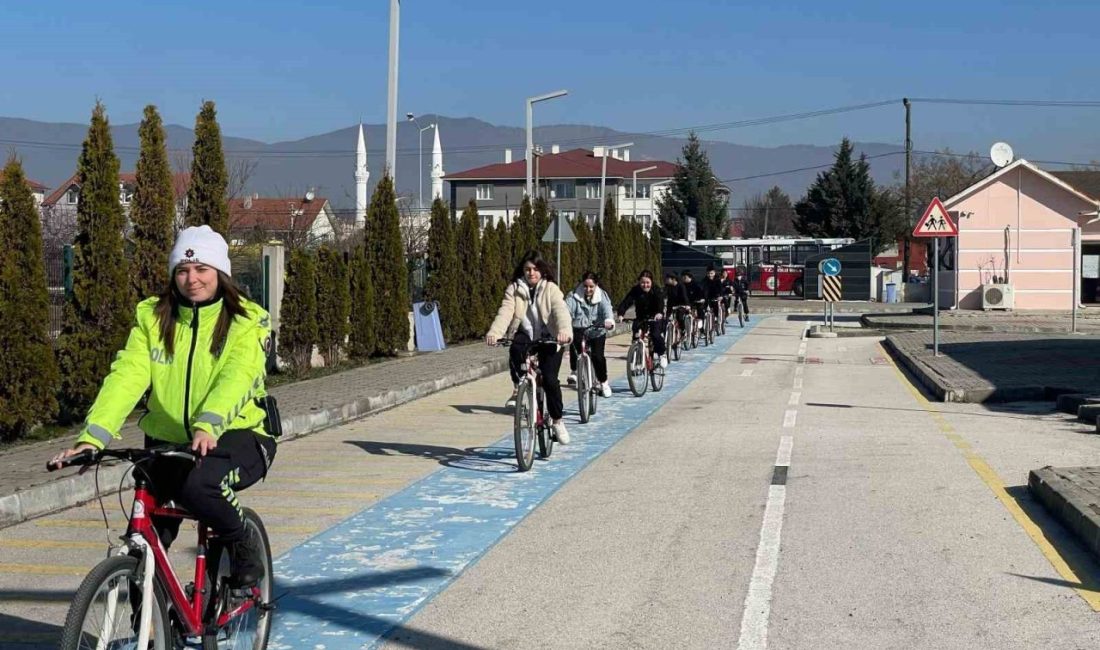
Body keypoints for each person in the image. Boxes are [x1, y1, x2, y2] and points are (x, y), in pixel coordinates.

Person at [49, 225, 276, 589]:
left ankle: (241, 540)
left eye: (202, 269)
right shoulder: (153, 318)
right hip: (168, 441)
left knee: (200, 488)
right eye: (183, 270)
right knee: (143, 542)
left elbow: (238, 376)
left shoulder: (247, 321)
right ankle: (151, 627)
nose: (192, 279)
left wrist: (209, 423)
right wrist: (93, 437)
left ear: (220, 273)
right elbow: (127, 376)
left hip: (238, 436)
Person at [486, 250, 573, 443]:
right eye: (527, 269)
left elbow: (560, 311)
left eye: (535, 269)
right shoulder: (515, 289)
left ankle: (557, 420)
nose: (531, 273)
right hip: (526, 333)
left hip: (551, 337)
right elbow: (505, 311)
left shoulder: (551, 288)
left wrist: (564, 331)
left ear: (542, 270)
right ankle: (519, 387)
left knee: (550, 380)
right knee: (515, 349)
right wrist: (495, 333)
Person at [565, 271, 615, 398]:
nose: (588, 289)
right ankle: (575, 370)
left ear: (596, 285)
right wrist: (564, 323)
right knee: (573, 342)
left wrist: (608, 321)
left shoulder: (602, 295)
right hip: (579, 328)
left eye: (591, 287)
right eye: (585, 286)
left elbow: (607, 310)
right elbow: (566, 310)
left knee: (598, 357)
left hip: (597, 330)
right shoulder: (573, 296)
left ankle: (603, 382)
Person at [616, 270, 667, 367]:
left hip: (655, 317)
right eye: (642, 283)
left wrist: (659, 313)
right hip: (641, 317)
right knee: (636, 333)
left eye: (647, 283)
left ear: (651, 282)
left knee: (655, 335)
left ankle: (662, 354)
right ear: (639, 282)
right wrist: (621, 314)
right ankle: (636, 353)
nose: (645, 285)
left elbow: (660, 302)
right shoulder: (636, 290)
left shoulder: (656, 290)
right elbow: (627, 301)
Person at [680, 270, 706, 335]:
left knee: (700, 312)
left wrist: (701, 299)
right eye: (682, 277)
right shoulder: (681, 285)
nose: (683, 279)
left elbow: (701, 293)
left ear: (690, 277)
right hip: (686, 303)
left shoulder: (696, 285)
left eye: (685, 277)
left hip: (696, 302)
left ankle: (701, 329)